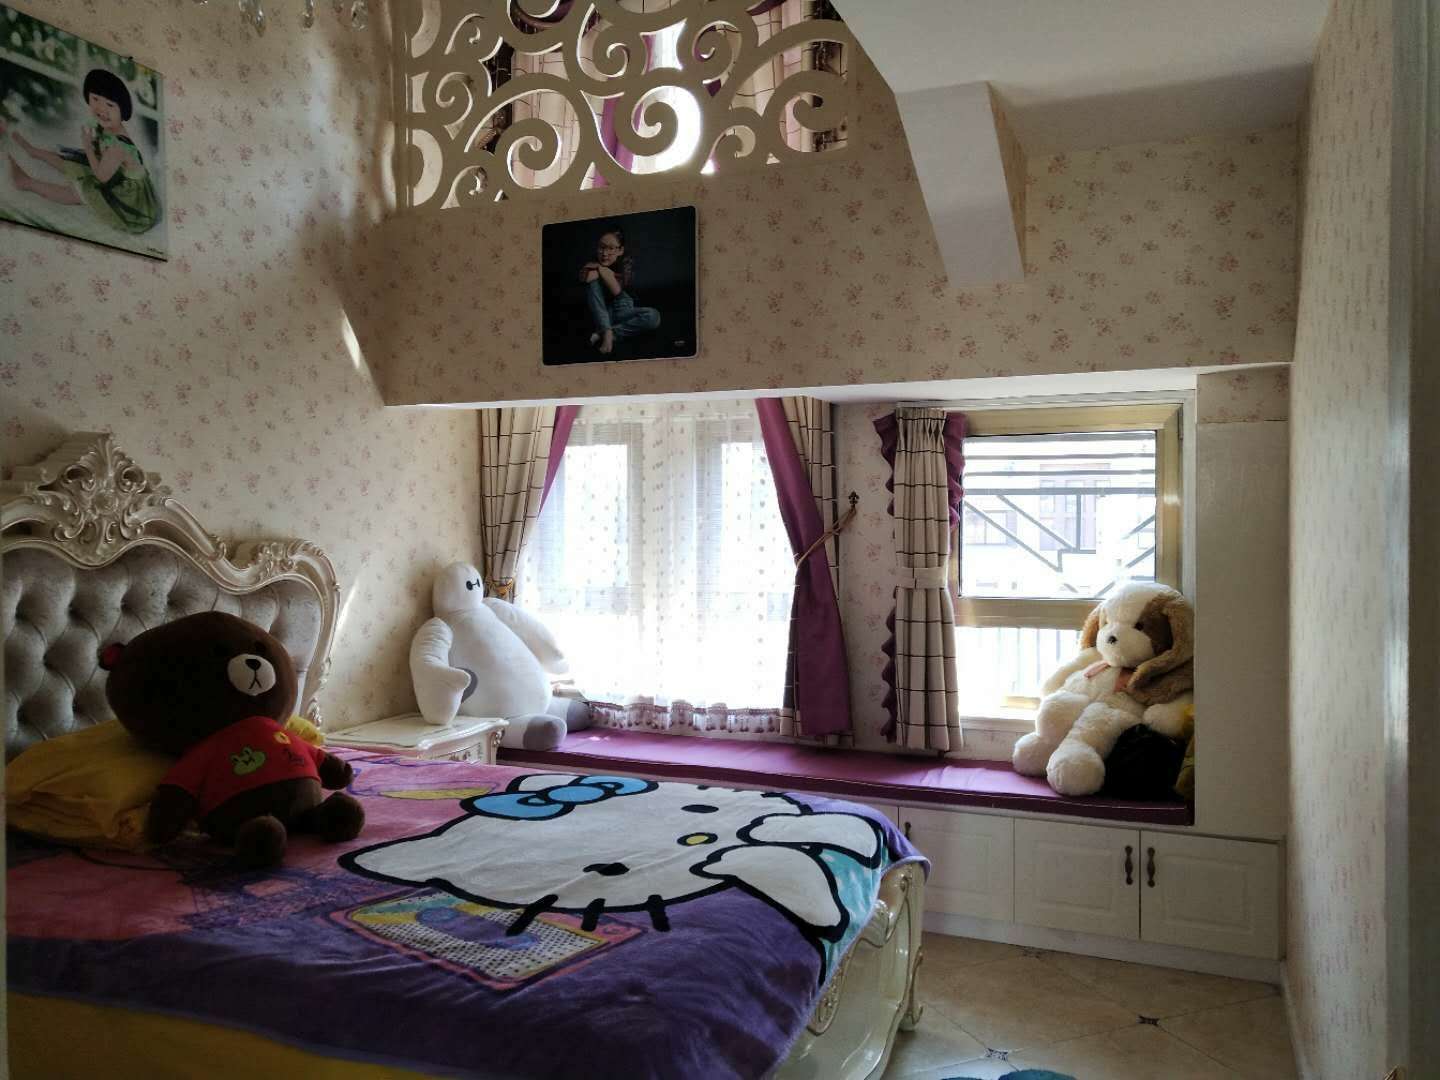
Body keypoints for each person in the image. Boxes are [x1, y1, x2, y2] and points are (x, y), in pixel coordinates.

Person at [4, 68, 161, 235]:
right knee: (75, 162)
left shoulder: (118, 146)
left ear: (122, 110)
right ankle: (34, 152)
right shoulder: (108, 125)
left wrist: (88, 146)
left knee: (83, 191)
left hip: (130, 201)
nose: (101, 109)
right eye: (95, 99)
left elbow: (101, 176)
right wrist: (94, 145)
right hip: (118, 175)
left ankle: (26, 182)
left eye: (110, 105)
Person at [578, 226, 660, 356]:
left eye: (611, 248)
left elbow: (617, 291)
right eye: (601, 247)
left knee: (653, 316)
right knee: (592, 284)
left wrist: (600, 269)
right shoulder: (593, 259)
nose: (604, 253)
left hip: (623, 308)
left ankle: (605, 333)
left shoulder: (626, 263)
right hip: (602, 312)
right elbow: (586, 278)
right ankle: (607, 331)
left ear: (620, 250)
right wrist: (602, 269)